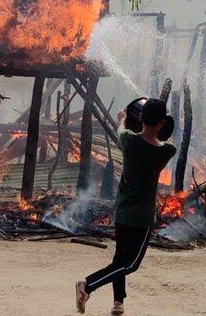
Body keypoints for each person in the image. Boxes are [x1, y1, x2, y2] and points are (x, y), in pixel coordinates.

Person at [75, 98, 177, 315]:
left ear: (139, 117)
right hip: (141, 218)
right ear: (161, 123)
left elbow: (121, 128)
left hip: (122, 211)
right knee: (130, 264)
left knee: (120, 257)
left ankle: (118, 301)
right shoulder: (167, 151)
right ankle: (87, 285)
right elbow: (166, 138)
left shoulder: (129, 141)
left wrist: (122, 119)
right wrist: (161, 124)